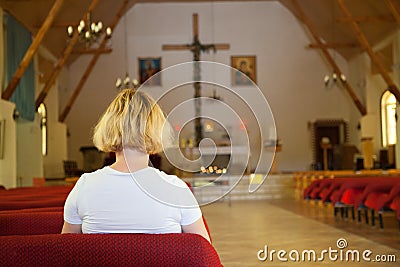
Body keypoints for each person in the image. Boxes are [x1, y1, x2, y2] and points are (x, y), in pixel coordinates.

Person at [61, 89, 210, 243]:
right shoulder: (176, 189)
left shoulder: (85, 186)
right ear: (157, 130)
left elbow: (65, 251)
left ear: (109, 127)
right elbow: (203, 252)